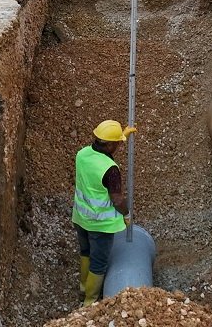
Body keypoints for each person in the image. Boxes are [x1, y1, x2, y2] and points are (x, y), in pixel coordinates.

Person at [72, 120, 135, 306]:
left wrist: (122, 135)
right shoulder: (110, 170)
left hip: (80, 218)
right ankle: (90, 302)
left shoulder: (82, 154)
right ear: (108, 144)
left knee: (85, 252)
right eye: (116, 143)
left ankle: (83, 288)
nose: (118, 146)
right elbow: (117, 200)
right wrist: (126, 214)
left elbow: (100, 155)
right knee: (99, 263)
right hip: (100, 225)